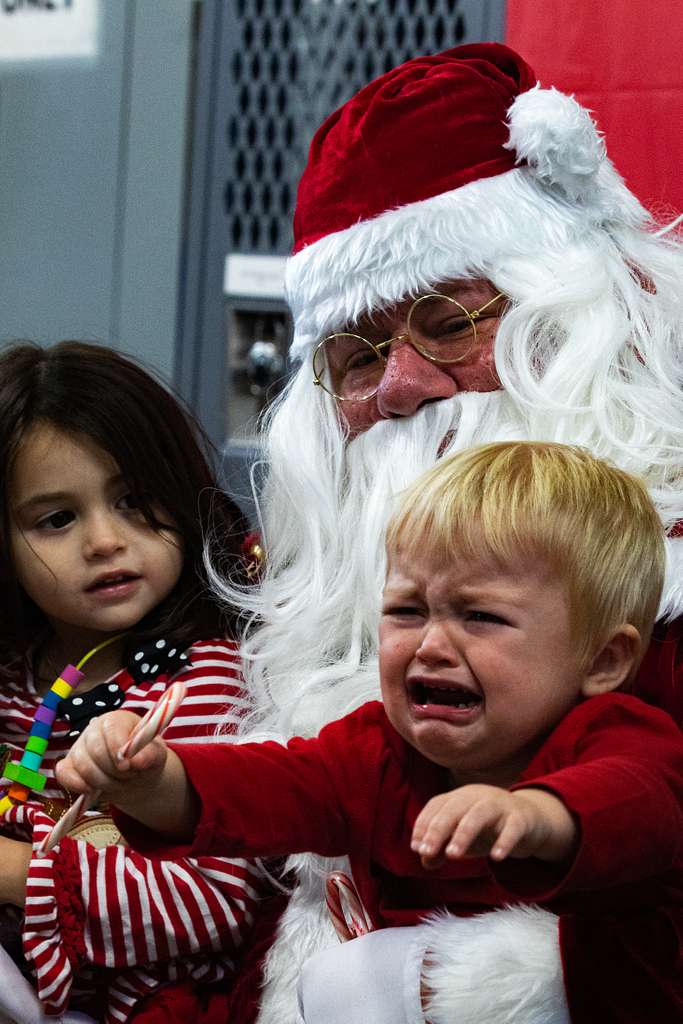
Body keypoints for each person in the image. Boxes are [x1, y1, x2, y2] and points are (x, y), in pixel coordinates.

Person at [200, 40, 683, 1024]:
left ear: (569, 315)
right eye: (356, 353)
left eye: (443, 321)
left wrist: (475, 986)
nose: (401, 384)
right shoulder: (306, 619)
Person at [55, 440, 683, 1024]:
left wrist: (538, 815)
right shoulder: (380, 749)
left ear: (603, 661)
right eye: (406, 610)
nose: (432, 645)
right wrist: (151, 778)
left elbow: (640, 799)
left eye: (482, 617)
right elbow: (268, 785)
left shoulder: (618, 733)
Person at [0, 341, 264, 1024]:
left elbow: (212, 906)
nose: (104, 541)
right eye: (56, 519)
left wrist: (13, 874)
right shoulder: (13, 682)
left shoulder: (202, 679)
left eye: (133, 500)